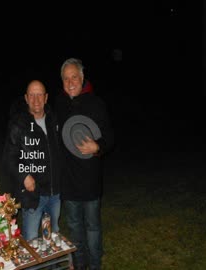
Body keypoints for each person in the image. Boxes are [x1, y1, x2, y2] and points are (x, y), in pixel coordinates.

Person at [55, 58, 114, 270]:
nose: (70, 82)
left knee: (93, 228)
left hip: (90, 180)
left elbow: (109, 139)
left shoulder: (96, 104)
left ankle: (95, 264)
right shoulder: (58, 104)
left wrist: (97, 147)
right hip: (69, 182)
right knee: (74, 227)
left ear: (82, 78)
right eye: (66, 78)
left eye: (74, 77)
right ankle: (79, 265)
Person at [3, 80, 62, 241]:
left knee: (53, 239)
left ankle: (54, 267)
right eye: (32, 95)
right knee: (31, 241)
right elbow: (9, 158)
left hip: (55, 193)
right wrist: (24, 176)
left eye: (40, 94)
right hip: (33, 196)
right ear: (26, 98)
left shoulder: (54, 120)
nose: (36, 99)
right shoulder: (18, 123)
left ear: (46, 97)